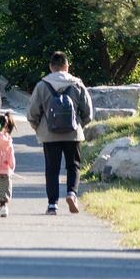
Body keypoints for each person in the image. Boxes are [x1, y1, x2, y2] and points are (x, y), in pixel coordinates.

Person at [26, 51, 94, 216]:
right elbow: (88, 113)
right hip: (73, 134)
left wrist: (39, 128)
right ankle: (72, 193)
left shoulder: (43, 85)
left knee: (52, 169)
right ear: (67, 66)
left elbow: (32, 113)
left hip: (49, 135)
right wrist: (79, 126)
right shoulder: (77, 84)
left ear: (51, 67)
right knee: (74, 166)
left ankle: (52, 205)